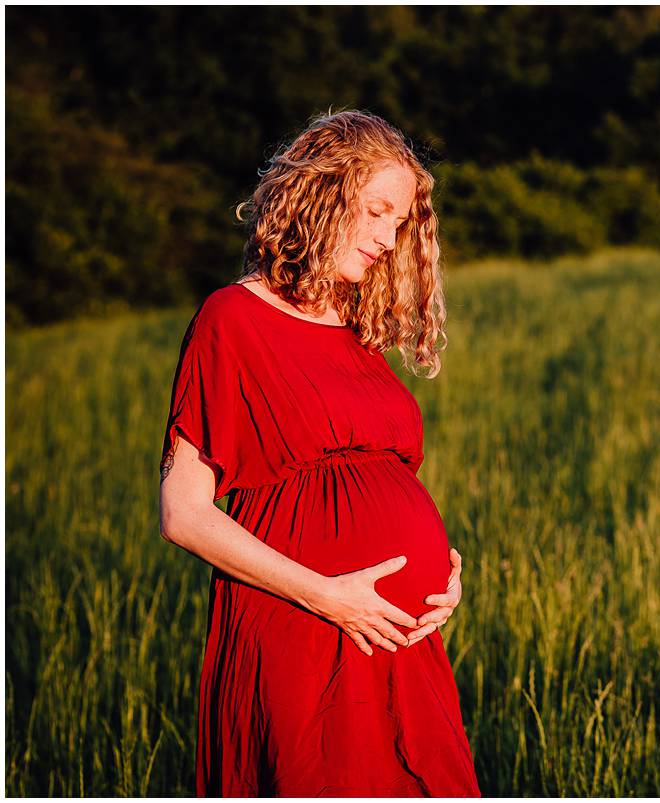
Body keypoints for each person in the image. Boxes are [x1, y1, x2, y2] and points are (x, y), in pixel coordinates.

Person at [157, 109, 481, 796]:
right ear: (322, 192)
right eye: (375, 211)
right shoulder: (233, 320)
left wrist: (436, 580)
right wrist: (329, 595)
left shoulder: (357, 333)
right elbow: (183, 513)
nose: (387, 237)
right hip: (304, 628)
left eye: (400, 223)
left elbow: (379, 484)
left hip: (393, 638)